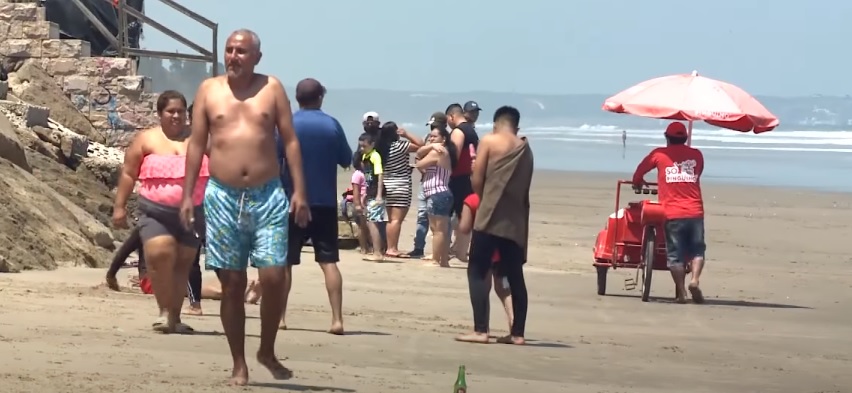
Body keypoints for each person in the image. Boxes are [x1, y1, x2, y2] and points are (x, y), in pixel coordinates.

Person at [181, 29, 310, 386]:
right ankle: (239, 362)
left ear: (257, 57)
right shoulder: (209, 90)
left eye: (241, 51)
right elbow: (196, 145)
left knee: (274, 276)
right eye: (229, 50)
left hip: (268, 195)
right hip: (222, 196)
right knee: (233, 282)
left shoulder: (272, 88)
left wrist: (300, 191)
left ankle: (266, 350)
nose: (233, 56)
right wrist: (188, 194)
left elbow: (291, 141)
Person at [112, 90, 208, 334]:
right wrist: (119, 206)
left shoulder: (200, 139)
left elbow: (221, 169)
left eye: (180, 111)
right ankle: (164, 311)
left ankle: (175, 316)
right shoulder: (146, 139)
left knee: (183, 264)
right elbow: (129, 173)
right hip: (155, 211)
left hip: (193, 212)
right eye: (170, 111)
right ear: (160, 113)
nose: (176, 116)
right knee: (159, 256)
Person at [278, 78, 352, 335]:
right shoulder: (332, 125)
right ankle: (337, 319)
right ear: (320, 97)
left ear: (297, 98)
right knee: (328, 261)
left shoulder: (287, 124)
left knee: (285, 263)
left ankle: (280, 318)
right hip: (324, 203)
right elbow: (346, 159)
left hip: (291, 202)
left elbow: (274, 158)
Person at [457, 105, 533, 345]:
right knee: (515, 276)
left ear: (495, 124)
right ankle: (518, 333)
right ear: (516, 126)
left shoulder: (489, 141)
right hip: (515, 221)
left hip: (489, 218)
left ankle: (481, 330)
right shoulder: (525, 149)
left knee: (477, 271)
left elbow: (477, 180)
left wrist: (486, 199)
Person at [632, 121, 706, 304]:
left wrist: (638, 181)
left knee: (674, 255)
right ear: (686, 138)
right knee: (697, 250)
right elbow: (698, 173)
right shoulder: (697, 155)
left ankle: (681, 293)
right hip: (695, 211)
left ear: (667, 137)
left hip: (672, 213)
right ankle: (695, 280)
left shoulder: (659, 154)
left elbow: (639, 172)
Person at [459, 193, 514, 332]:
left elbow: (464, 228)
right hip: (505, 248)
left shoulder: (473, 199)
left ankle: (482, 329)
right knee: (504, 289)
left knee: (481, 287)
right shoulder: (506, 198)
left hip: (482, 249)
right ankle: (514, 325)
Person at [414, 122, 457, 267]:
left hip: (437, 193)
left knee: (437, 230)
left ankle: (436, 260)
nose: (431, 139)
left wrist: (431, 148)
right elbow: (419, 153)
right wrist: (431, 146)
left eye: (434, 137)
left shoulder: (438, 152)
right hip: (441, 193)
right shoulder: (440, 150)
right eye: (430, 137)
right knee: (441, 230)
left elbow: (419, 163)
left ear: (443, 139)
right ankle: (443, 260)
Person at [378, 121, 422, 258]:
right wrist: (406, 134)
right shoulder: (399, 146)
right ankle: (392, 248)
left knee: (391, 219)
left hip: (387, 185)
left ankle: (389, 247)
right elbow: (420, 145)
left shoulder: (381, 148)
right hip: (401, 185)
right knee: (397, 220)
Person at [408, 112, 448, 259]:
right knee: (422, 216)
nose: (432, 130)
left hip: (439, 186)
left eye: (435, 126)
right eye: (431, 126)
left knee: (438, 223)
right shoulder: (429, 139)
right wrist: (423, 169)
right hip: (425, 183)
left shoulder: (446, 142)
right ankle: (419, 247)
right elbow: (419, 156)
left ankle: (440, 252)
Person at [445, 103, 479, 261]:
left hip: (456, 178)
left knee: (444, 216)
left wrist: (445, 173)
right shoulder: (472, 131)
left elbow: (454, 156)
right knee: (463, 216)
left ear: (451, 116)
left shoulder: (458, 132)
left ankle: (443, 252)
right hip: (467, 178)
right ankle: (461, 252)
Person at [358, 132, 387, 262]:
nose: (362, 148)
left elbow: (380, 175)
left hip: (377, 193)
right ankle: (376, 251)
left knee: (373, 222)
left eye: (364, 146)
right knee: (370, 221)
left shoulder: (375, 156)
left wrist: (379, 195)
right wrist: (365, 193)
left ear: (372, 144)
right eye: (360, 146)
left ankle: (378, 253)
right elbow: (367, 177)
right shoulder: (365, 156)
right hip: (370, 192)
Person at [350, 150, 370, 254]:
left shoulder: (366, 174)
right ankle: (363, 248)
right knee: (362, 227)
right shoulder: (357, 174)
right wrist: (357, 204)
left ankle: (368, 246)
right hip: (360, 204)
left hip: (366, 203)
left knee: (367, 227)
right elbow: (356, 191)